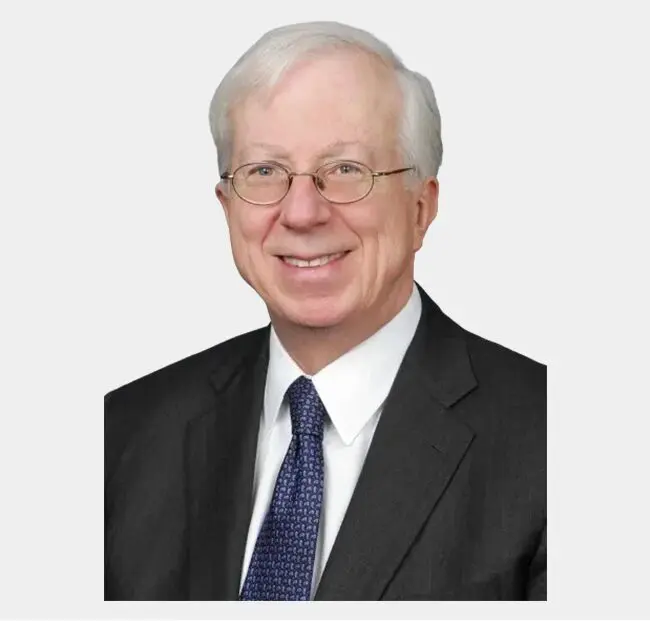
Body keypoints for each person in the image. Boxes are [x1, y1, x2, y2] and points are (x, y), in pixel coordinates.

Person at [104, 21, 546, 601]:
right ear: (226, 205)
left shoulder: (552, 442)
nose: (302, 212)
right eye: (264, 172)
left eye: (345, 171)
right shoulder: (122, 432)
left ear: (421, 206)